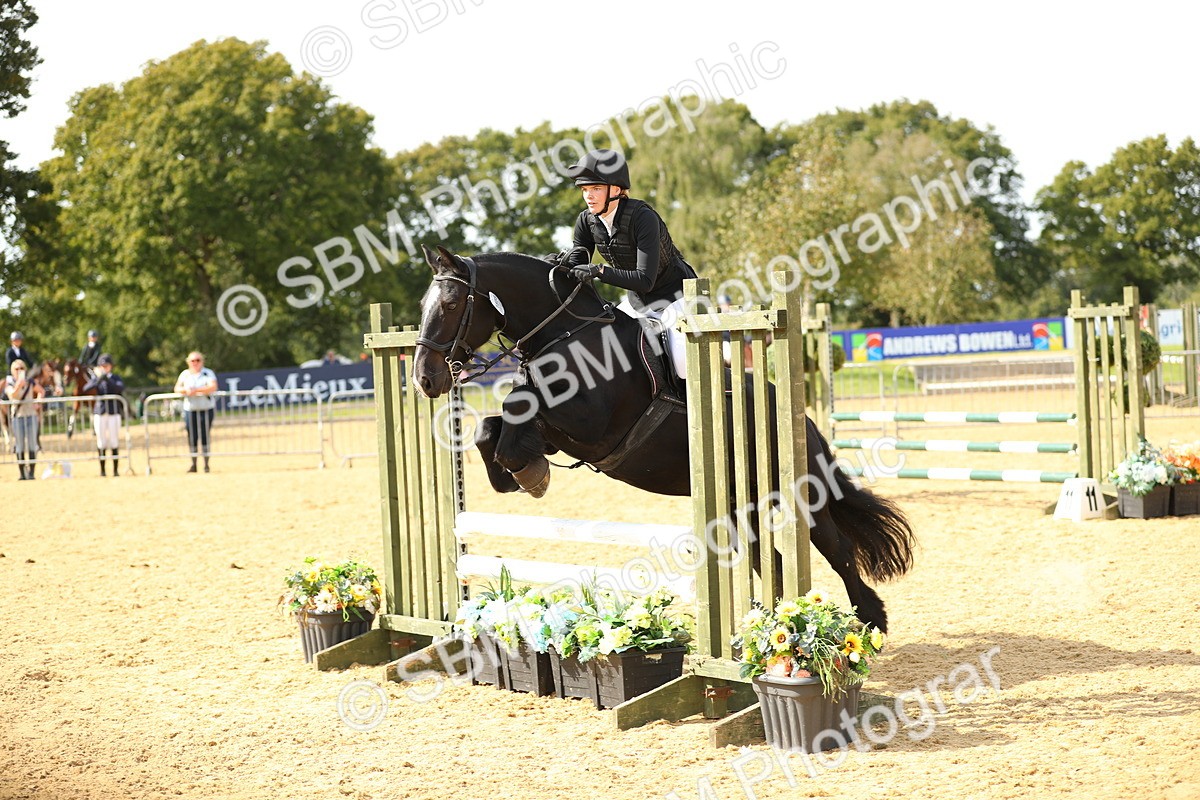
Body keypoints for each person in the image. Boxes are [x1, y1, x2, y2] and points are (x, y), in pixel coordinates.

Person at [561, 149, 698, 377]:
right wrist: (555, 266)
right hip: (637, 303)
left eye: (595, 188)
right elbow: (576, 264)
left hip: (677, 299)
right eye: (585, 190)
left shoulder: (643, 217)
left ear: (616, 189)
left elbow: (644, 280)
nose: (588, 196)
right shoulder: (586, 221)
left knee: (682, 365)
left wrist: (599, 271)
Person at [174, 351, 218, 473]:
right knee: (192, 437)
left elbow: (213, 386)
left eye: (198, 360)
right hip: (190, 410)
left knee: (205, 436)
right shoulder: (185, 374)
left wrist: (197, 390)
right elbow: (177, 388)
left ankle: (206, 465)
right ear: (188, 362)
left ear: (202, 361)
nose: (195, 363)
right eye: (193, 360)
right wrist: (186, 391)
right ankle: (193, 464)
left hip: (206, 409)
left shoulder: (208, 373)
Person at [82, 353, 125, 477]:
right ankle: (102, 470)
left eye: (106, 365)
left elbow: (119, 388)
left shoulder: (115, 378)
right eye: (102, 365)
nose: (104, 367)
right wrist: (98, 379)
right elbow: (86, 388)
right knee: (101, 441)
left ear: (111, 366)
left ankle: (115, 470)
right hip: (100, 412)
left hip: (113, 411)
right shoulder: (97, 378)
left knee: (114, 440)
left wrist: (107, 379)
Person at [5, 359, 44, 480]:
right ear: (12, 371)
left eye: (21, 368)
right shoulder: (10, 383)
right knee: (20, 445)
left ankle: (31, 473)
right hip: (18, 417)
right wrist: (19, 385)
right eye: (16, 369)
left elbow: (41, 391)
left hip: (31, 415)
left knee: (32, 444)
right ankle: (22, 473)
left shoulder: (30, 381)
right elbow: (12, 395)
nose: (19, 371)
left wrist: (38, 402)